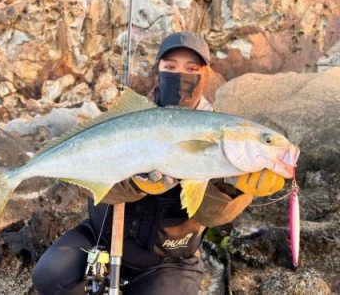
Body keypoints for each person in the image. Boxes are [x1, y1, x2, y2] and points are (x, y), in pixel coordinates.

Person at [32, 32, 285, 295]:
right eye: (170, 67)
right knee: (50, 275)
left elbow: (210, 215)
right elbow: (88, 181)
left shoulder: (222, 131)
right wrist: (134, 185)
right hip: (102, 239)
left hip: (170, 259)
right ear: (157, 70)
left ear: (205, 74)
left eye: (192, 68)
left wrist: (236, 191)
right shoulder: (131, 118)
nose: (180, 74)